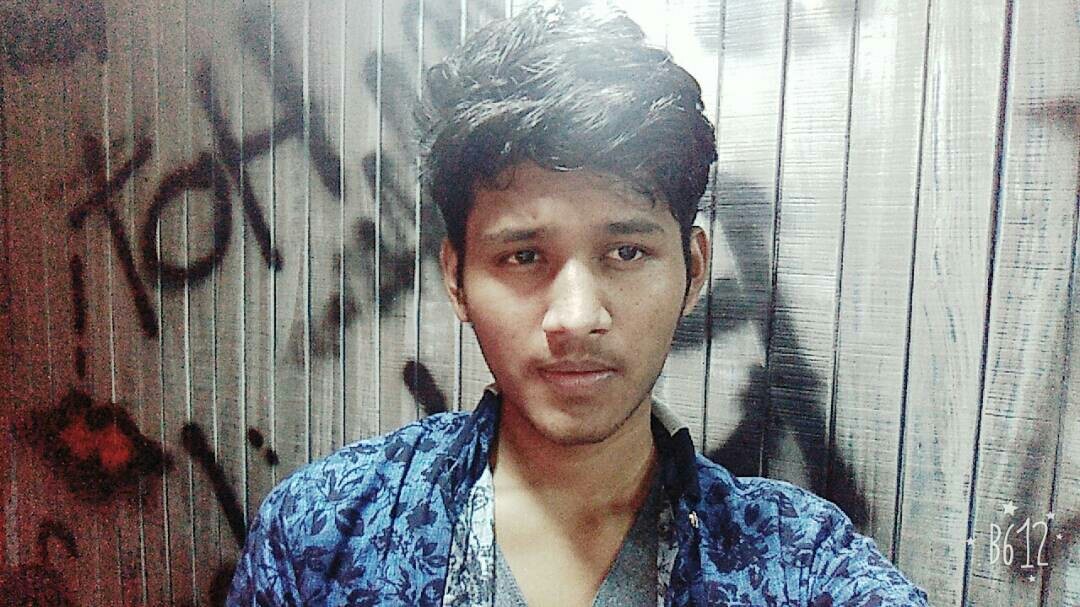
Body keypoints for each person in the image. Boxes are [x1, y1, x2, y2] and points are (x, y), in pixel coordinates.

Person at [228, 3, 930, 605]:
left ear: (693, 271)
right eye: (523, 256)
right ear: (456, 278)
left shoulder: (797, 565)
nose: (575, 317)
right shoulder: (324, 536)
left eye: (625, 252)